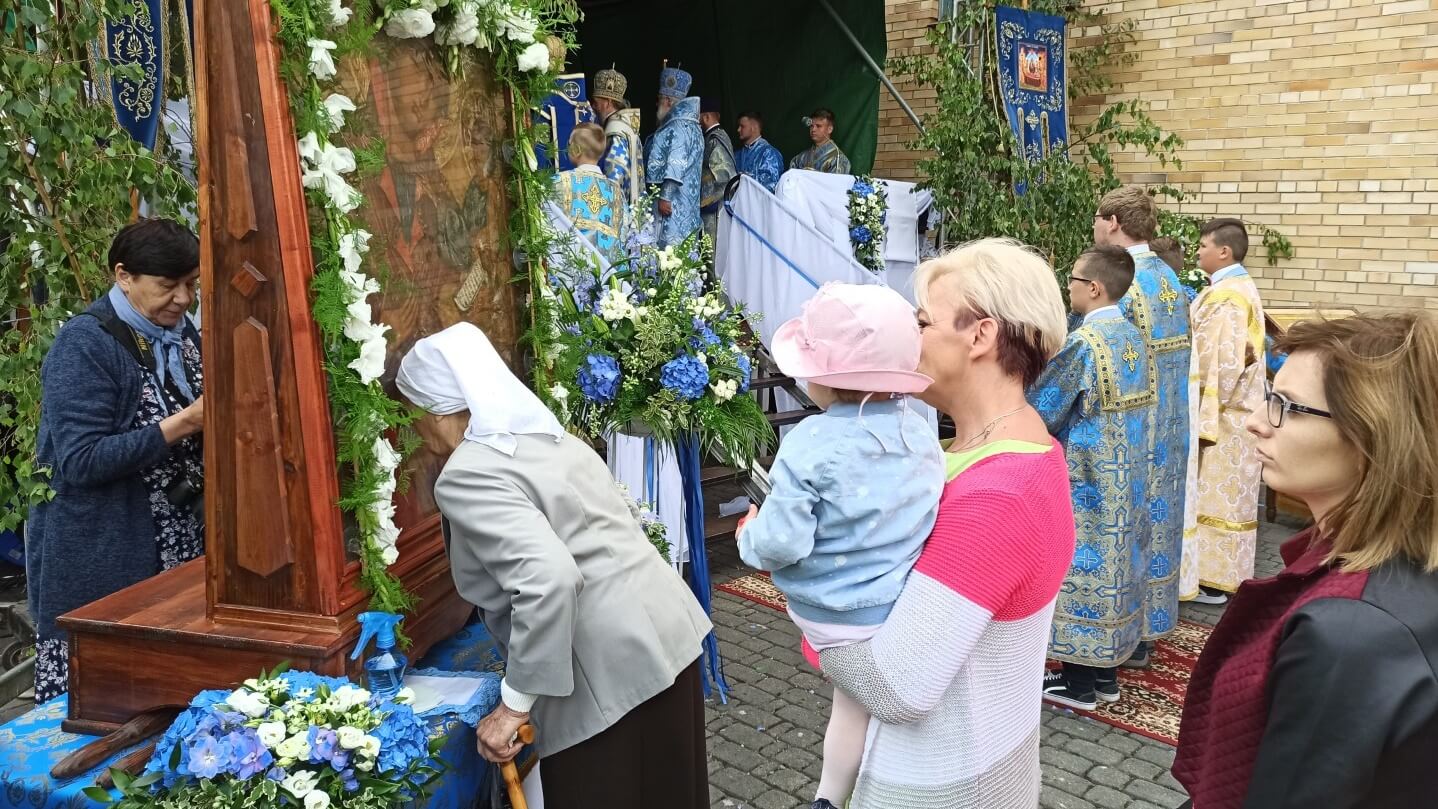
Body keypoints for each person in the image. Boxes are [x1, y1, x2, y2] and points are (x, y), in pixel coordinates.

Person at [396, 323, 712, 809]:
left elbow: (549, 580)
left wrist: (513, 705)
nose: (412, 431)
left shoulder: (467, 472)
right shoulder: (547, 435)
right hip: (667, 635)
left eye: (411, 414)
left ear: (435, 412)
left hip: (604, 674)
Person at [815, 238, 1076, 808]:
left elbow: (894, 687)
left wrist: (812, 612)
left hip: (943, 784)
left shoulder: (999, 496)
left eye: (922, 322)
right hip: (980, 765)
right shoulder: (1001, 451)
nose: (909, 337)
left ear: (980, 335)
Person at [1172, 312, 1438, 809]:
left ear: (1370, 437)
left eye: (1286, 407)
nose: (1255, 420)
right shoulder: (1387, 565)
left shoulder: (1347, 633)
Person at [735, 284, 944, 809]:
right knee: (852, 709)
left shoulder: (811, 441)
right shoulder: (920, 431)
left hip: (828, 611)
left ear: (825, 377)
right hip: (898, 604)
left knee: (849, 706)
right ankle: (848, 792)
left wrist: (747, 538)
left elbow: (780, 543)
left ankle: (830, 797)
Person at [26, 218, 206, 703]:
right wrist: (186, 423)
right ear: (123, 276)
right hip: (106, 554)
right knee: (108, 702)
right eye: (168, 286)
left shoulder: (181, 334)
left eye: (191, 285)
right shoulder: (84, 344)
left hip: (176, 549)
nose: (183, 299)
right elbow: (80, 460)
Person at [1029, 245, 1157, 708]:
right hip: (1129, 480)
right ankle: (1105, 678)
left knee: (1083, 571)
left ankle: (1079, 685)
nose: (1069, 287)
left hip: (1087, 482)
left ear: (1094, 288)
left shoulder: (1085, 343)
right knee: (1116, 569)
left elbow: (1044, 407)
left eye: (1073, 280)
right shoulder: (1134, 336)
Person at [1094, 185, 1190, 665]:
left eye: (1097, 218)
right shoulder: (1168, 277)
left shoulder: (1123, 281)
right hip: (1170, 430)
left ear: (1113, 222)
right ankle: (1148, 628)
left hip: (1131, 433)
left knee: (1126, 530)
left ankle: (1119, 636)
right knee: (1159, 522)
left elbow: (1104, 359)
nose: (1095, 227)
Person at [1179, 219, 1266, 605]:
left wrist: (1196, 411)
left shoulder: (1227, 297)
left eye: (1203, 245)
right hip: (1238, 413)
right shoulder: (1239, 287)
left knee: (1216, 499)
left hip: (1224, 417)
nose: (1198, 252)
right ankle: (1218, 578)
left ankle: (1210, 581)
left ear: (1224, 251)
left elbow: (1216, 363)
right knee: (1228, 498)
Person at [645, 64, 703, 247]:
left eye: (660, 99)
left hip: (674, 204)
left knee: (669, 252)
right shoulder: (693, 126)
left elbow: (676, 162)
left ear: (669, 101)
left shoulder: (678, 126)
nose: (657, 104)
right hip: (687, 204)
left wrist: (666, 196)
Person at [554, 122, 627, 262]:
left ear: (575, 150)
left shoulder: (558, 182)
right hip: (608, 271)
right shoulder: (617, 192)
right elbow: (623, 237)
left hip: (569, 268)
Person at [590, 66, 645, 206]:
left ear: (608, 102)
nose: (593, 107)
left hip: (619, 205)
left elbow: (615, 175)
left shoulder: (615, 131)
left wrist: (605, 203)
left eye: (596, 102)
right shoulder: (625, 124)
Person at [698, 96, 736, 241]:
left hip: (715, 209)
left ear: (706, 117)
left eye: (698, 117)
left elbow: (726, 174)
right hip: (709, 207)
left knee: (713, 249)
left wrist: (707, 201)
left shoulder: (715, 139)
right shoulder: (710, 138)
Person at [789, 108, 851, 174]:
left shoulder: (838, 159)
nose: (813, 129)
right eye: (811, 126)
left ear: (830, 129)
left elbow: (837, 180)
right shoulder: (800, 158)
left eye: (818, 126)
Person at [735, 110, 784, 193]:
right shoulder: (737, 155)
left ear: (754, 127)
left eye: (742, 126)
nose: (738, 130)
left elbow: (771, 186)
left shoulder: (769, 154)